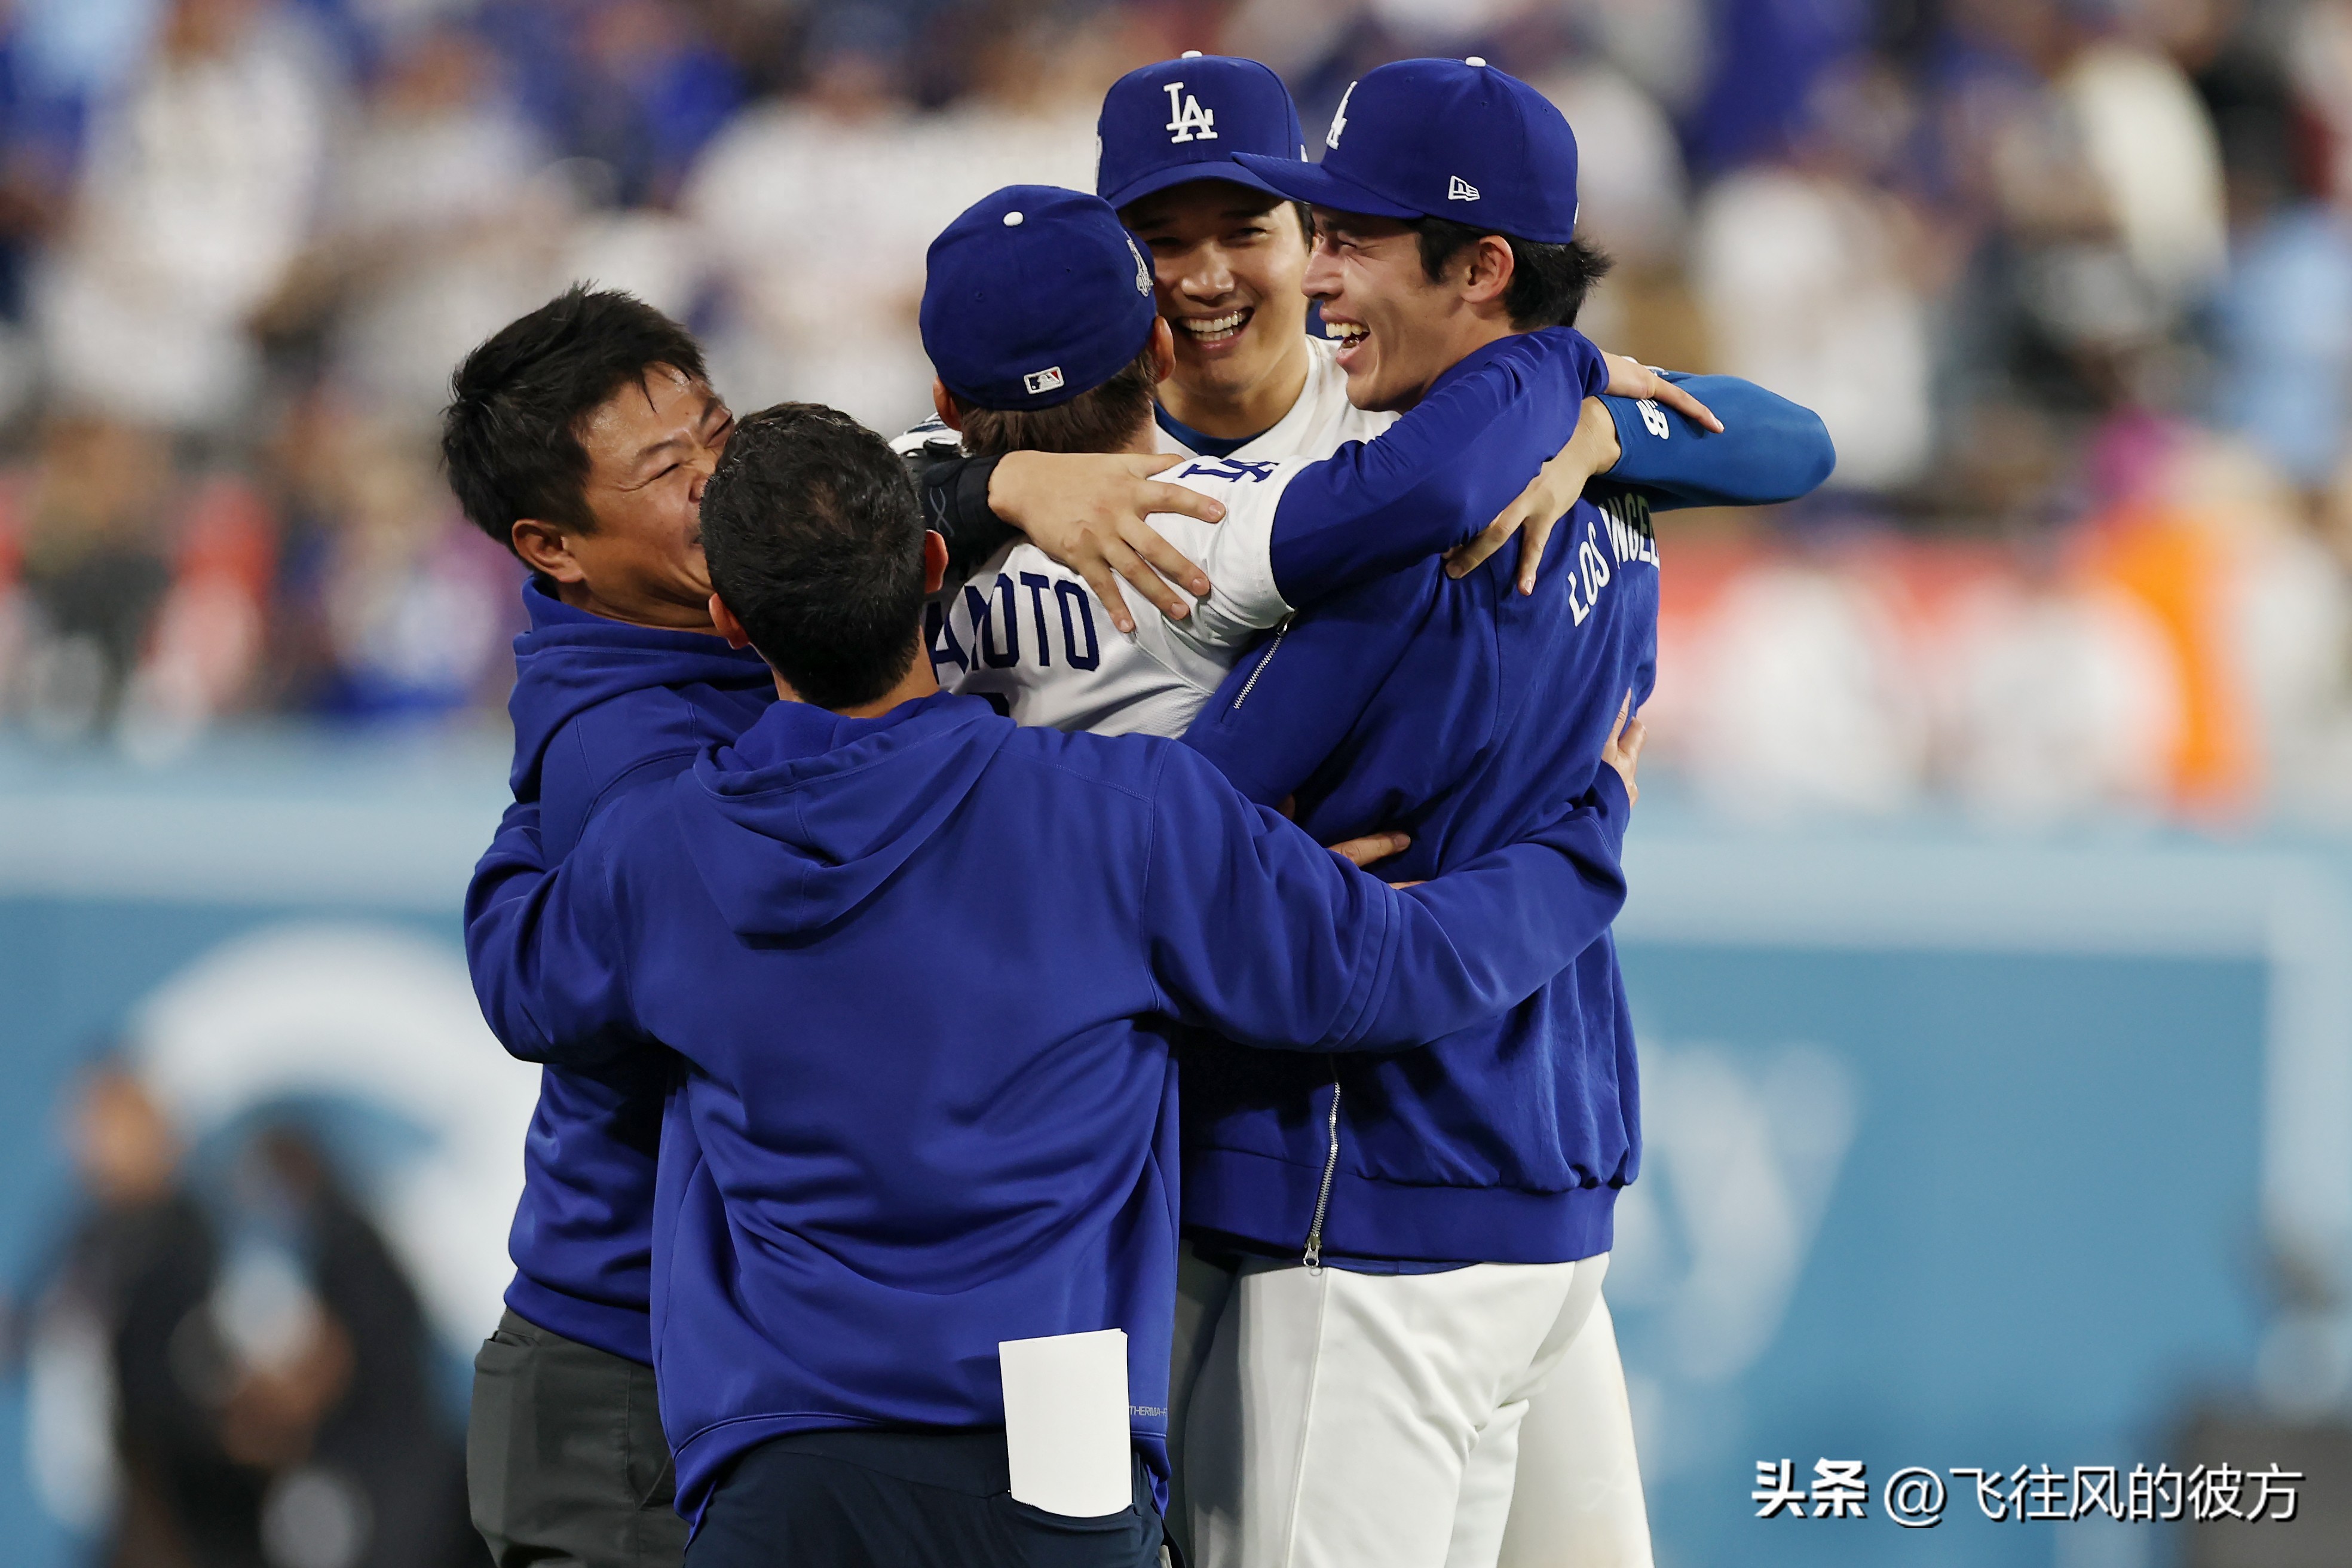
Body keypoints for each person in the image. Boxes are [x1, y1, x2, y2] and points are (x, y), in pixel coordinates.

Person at [463, 400, 1644, 1568]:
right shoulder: (1121, 812)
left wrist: (559, 706)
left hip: (785, 1452)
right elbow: (1402, 971)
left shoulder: (657, 853)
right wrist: (1587, 832)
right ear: (934, 565)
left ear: (728, 619)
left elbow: (523, 979)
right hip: (1054, 1441)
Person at [1169, 59, 1824, 1568]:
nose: (1315, 274)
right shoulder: (1602, 468)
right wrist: (1585, 405)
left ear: (1482, 268)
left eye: (1354, 241)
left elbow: (1174, 818)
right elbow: (1793, 441)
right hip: (1544, 1191)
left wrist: (1253, 875)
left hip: (1381, 1184)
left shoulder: (1434, 518)